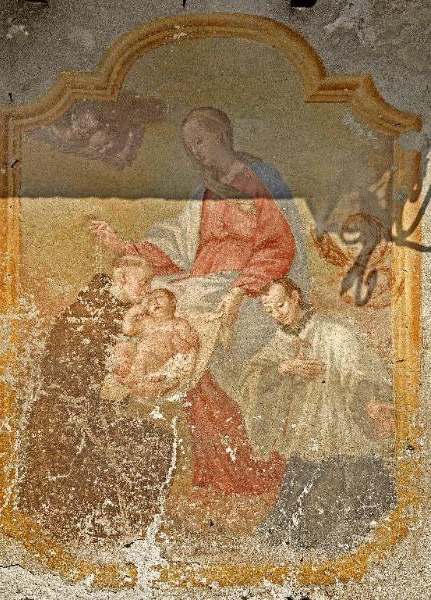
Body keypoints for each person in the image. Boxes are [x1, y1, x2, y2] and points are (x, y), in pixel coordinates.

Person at [89, 106, 308, 499]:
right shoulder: (204, 191)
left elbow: (278, 245)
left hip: (249, 289)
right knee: (168, 329)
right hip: (202, 285)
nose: (197, 151)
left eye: (201, 141)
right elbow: (178, 245)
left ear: (221, 136)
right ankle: (215, 472)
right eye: (191, 146)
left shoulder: (256, 180)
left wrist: (240, 290)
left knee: (201, 346)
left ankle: (256, 470)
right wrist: (123, 246)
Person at [19, 256, 175, 546]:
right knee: (154, 445)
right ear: (122, 279)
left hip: (94, 413)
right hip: (68, 422)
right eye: (143, 283)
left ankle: (124, 531)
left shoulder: (116, 310)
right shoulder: (90, 314)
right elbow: (77, 373)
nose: (147, 291)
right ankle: (104, 530)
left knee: (160, 441)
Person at [240, 277, 396, 550]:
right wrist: (285, 368)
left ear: (295, 298)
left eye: (280, 306)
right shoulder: (279, 343)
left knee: (357, 487)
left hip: (338, 425)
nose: (277, 315)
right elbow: (252, 378)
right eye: (270, 310)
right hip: (304, 430)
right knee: (301, 492)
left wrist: (370, 402)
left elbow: (359, 372)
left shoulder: (333, 333)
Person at [103, 288, 200, 403]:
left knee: (145, 361)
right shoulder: (147, 322)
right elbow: (128, 331)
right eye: (150, 301)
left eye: (159, 297)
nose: (154, 302)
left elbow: (189, 347)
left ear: (173, 301)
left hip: (157, 360)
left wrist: (180, 343)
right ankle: (129, 374)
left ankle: (137, 381)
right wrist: (130, 314)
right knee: (122, 347)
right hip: (138, 355)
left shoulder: (179, 324)